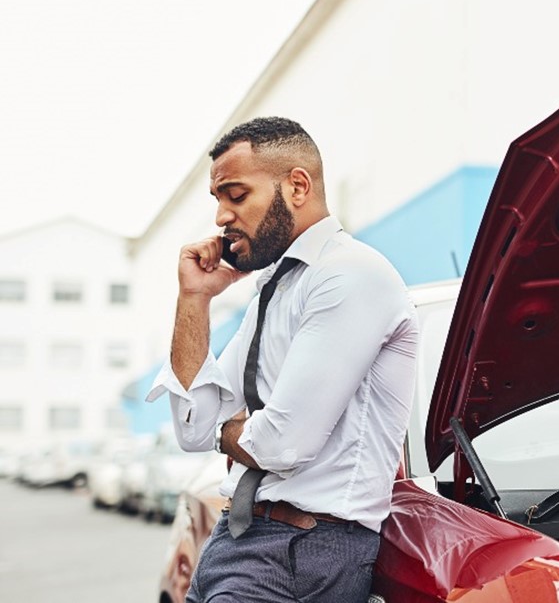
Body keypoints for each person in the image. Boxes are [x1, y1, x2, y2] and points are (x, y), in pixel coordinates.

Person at [146, 116, 419, 602]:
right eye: (218, 200)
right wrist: (194, 299)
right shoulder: (277, 288)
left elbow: (279, 444)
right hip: (238, 540)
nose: (221, 218)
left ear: (297, 186)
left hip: (300, 552)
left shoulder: (351, 276)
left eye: (236, 195)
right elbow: (192, 426)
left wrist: (225, 430)